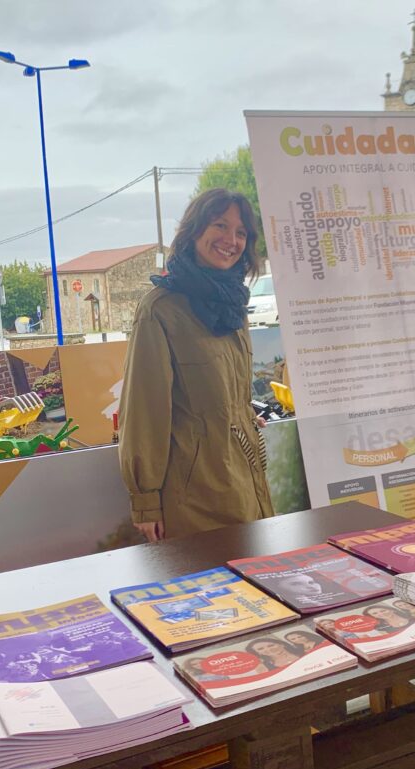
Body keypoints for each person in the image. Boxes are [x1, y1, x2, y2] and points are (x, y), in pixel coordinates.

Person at [118, 188, 274, 543]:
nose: (230, 240)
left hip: (246, 481)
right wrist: (145, 502)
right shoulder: (161, 310)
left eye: (240, 232)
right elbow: (144, 413)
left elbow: (220, 393)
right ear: (194, 231)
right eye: (220, 225)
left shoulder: (233, 305)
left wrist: (242, 414)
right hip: (194, 497)